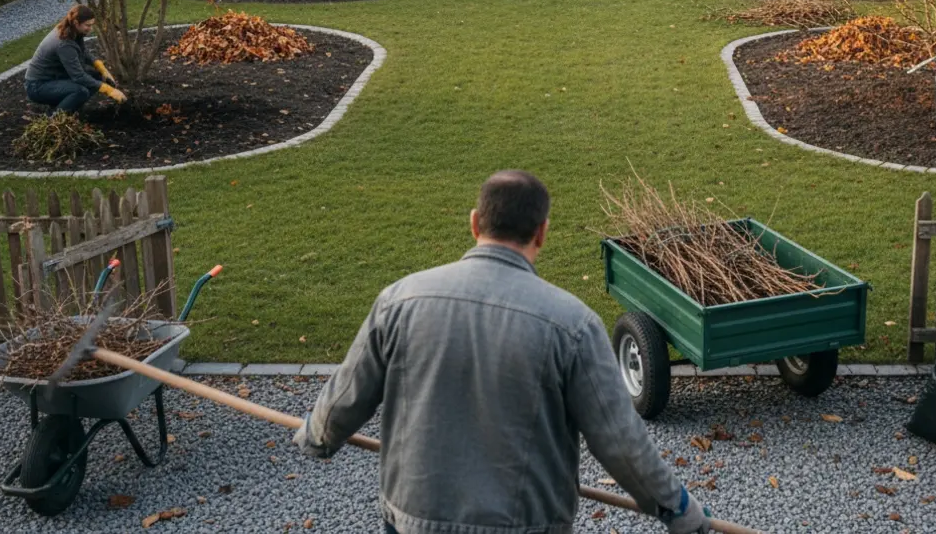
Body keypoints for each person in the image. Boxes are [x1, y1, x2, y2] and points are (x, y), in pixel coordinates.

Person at [292, 170, 712, 534]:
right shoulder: (573, 325)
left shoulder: (400, 301)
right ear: (542, 232)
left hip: (415, 519)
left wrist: (318, 436)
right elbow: (619, 441)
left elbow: (347, 395)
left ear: (475, 223)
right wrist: (677, 508)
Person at [24, 5, 126, 115]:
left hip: (53, 78)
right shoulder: (64, 43)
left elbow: (83, 51)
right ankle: (54, 117)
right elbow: (78, 76)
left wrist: (100, 66)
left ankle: (66, 106)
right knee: (80, 91)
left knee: (95, 76)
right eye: (88, 25)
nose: (90, 29)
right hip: (37, 86)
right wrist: (108, 90)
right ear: (77, 23)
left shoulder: (71, 30)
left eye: (92, 25)